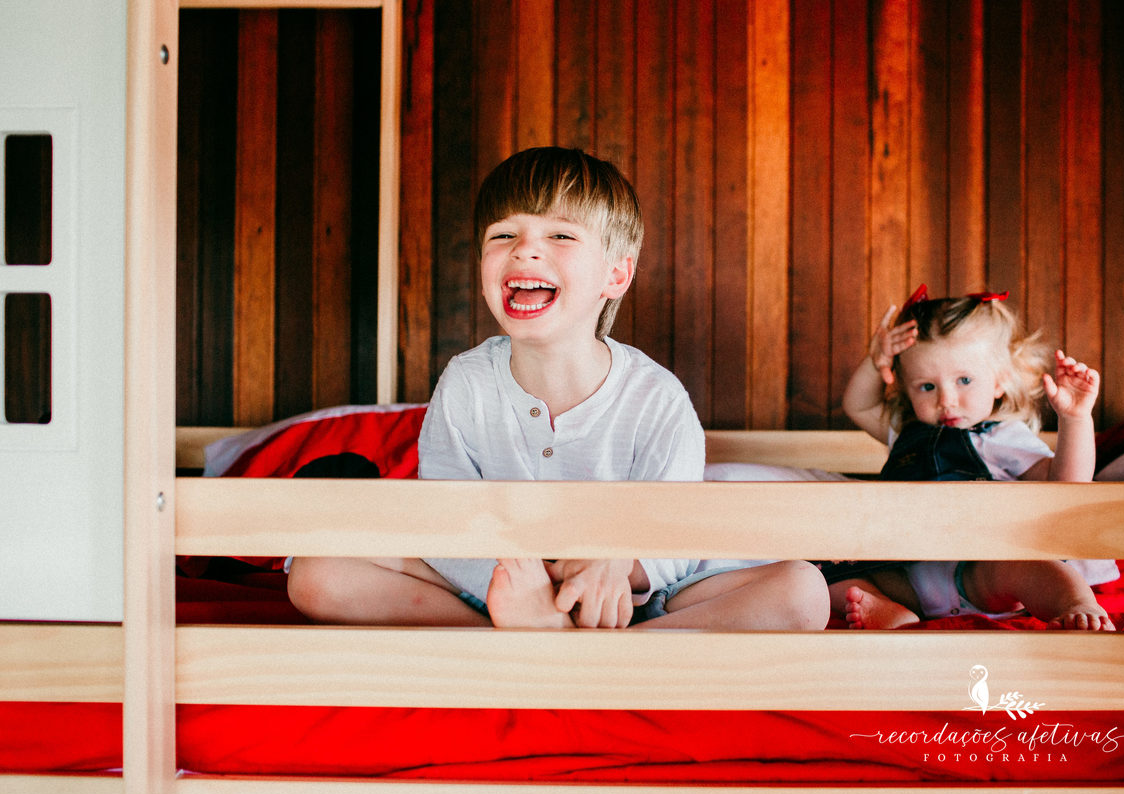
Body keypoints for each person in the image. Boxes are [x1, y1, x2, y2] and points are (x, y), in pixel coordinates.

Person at [288, 146, 829, 630]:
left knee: (802, 591)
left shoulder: (657, 398)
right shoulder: (467, 383)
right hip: (491, 588)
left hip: (629, 598)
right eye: (503, 235)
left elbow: (676, 535)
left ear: (615, 275)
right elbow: (448, 523)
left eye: (561, 235)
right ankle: (527, 634)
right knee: (317, 572)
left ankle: (602, 649)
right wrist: (515, 586)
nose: (525, 249)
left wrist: (619, 565)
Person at [832, 285, 1115, 631]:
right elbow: (858, 405)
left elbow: (1068, 485)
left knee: (1032, 566)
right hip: (909, 574)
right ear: (906, 388)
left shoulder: (1002, 436)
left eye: (964, 380)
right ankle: (889, 609)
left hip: (985, 571)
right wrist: (877, 360)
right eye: (927, 387)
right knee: (829, 572)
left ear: (999, 382)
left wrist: (1075, 419)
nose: (946, 400)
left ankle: (1075, 603)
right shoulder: (906, 432)